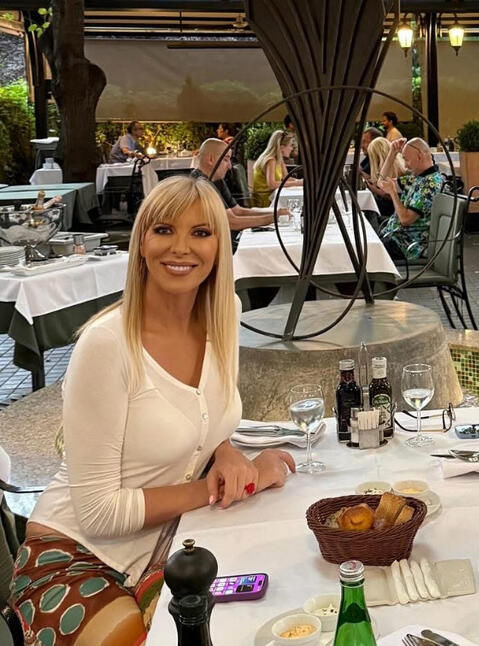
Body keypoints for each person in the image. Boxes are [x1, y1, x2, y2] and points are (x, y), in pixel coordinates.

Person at [10, 176, 297, 643]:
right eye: (164, 230)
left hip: (173, 547)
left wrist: (224, 449)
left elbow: (200, 413)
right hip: (75, 557)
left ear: (220, 247)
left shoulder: (222, 316)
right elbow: (100, 513)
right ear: (142, 242)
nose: (180, 247)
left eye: (200, 232)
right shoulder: (107, 345)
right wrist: (229, 485)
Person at [191, 138, 285, 239]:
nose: (230, 166)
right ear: (211, 159)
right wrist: (274, 218)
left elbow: (237, 211)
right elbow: (232, 222)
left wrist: (276, 212)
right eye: (226, 159)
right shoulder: (200, 184)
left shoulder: (217, 179)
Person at [377, 137, 444, 261]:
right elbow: (381, 182)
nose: (405, 165)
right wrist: (392, 153)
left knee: (363, 252)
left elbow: (405, 220)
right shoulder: (418, 178)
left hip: (408, 246)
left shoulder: (430, 183)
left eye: (406, 159)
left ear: (420, 156)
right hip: (395, 237)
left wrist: (393, 193)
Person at [251, 130, 303, 208]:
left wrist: (300, 181)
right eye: (290, 145)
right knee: (293, 204)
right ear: (281, 147)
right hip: (265, 200)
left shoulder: (279, 159)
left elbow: (286, 178)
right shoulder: (270, 160)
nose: (292, 149)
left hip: (273, 195)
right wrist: (297, 183)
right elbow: (272, 185)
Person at [364, 136, 406, 219]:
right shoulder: (399, 162)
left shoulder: (390, 167)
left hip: (392, 209)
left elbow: (389, 194)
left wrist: (373, 189)